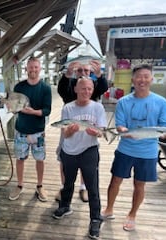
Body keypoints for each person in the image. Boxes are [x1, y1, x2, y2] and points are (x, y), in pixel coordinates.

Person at [101, 64, 166, 231]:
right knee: (115, 181)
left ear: (151, 79)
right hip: (125, 149)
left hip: (148, 152)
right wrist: (123, 131)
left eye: (146, 76)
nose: (142, 80)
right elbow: (120, 125)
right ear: (133, 79)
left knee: (139, 185)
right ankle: (109, 209)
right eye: (139, 76)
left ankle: (132, 215)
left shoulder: (161, 102)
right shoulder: (124, 101)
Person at [52, 76, 107, 239]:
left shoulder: (98, 108)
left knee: (92, 186)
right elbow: (65, 134)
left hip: (89, 150)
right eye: (83, 88)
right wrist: (71, 130)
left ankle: (95, 219)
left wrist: (96, 132)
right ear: (75, 89)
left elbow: (102, 131)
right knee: (68, 182)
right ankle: (65, 206)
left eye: (90, 89)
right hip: (69, 151)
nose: (86, 91)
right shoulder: (68, 108)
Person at [56, 59, 108, 202]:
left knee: (87, 160)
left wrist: (99, 75)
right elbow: (60, 89)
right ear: (75, 72)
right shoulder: (71, 84)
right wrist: (67, 75)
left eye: (86, 70)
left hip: (87, 128)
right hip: (68, 125)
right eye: (79, 70)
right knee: (63, 156)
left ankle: (83, 188)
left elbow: (104, 88)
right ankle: (64, 187)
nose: (83, 73)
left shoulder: (93, 84)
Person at [8, 56, 52, 202]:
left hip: (38, 132)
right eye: (30, 67)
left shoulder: (45, 88)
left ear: (40, 69)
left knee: (40, 159)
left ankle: (40, 186)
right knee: (20, 159)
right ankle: (19, 185)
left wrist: (33, 112)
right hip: (21, 130)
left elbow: (47, 110)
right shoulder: (19, 87)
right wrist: (12, 108)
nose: (33, 70)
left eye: (35, 67)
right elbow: (14, 108)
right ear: (26, 68)